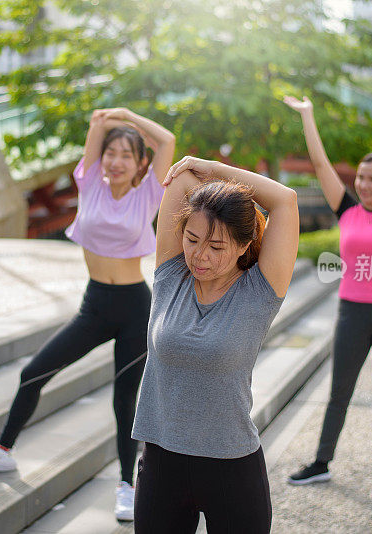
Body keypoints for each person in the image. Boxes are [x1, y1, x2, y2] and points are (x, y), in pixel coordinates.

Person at [0, 107, 175, 522]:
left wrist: (128, 115)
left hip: (135, 309)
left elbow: (165, 141)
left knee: (124, 399)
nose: (115, 161)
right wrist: (104, 123)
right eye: (111, 152)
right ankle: (2, 450)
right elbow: (95, 129)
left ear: (140, 163)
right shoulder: (90, 182)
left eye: (126, 155)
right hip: (94, 306)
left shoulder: (149, 194)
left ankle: (127, 485)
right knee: (33, 373)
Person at [132, 155, 300, 533]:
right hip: (162, 460)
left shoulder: (259, 290)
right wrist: (200, 173)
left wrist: (217, 168)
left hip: (231, 467)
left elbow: (285, 200)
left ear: (244, 246)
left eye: (217, 247)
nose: (200, 256)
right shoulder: (171, 273)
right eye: (192, 239)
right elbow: (182, 177)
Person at [283, 92, 372, 498]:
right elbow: (320, 162)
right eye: (360, 177)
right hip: (352, 313)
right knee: (339, 392)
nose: (363, 184)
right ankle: (321, 463)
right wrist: (308, 115)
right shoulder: (346, 208)